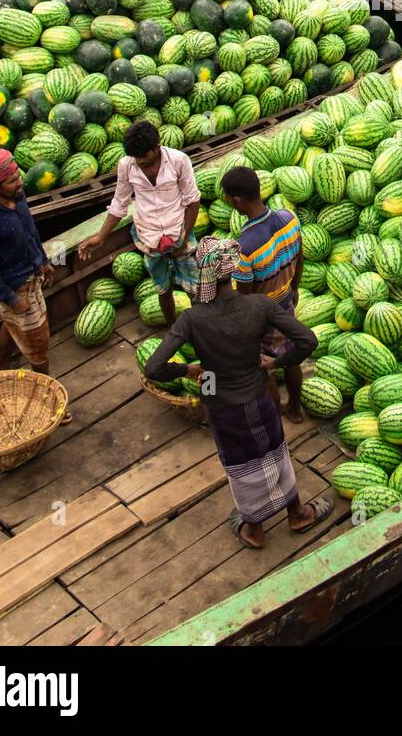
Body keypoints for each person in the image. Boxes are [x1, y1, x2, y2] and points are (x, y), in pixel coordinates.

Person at [143, 235, 331, 551]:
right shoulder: (260, 305)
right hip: (259, 396)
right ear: (231, 272)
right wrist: (276, 363)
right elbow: (308, 341)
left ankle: (254, 529)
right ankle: (297, 514)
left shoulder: (191, 319)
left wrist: (188, 370)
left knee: (241, 465)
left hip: (222, 404)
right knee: (275, 452)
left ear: (203, 273)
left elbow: (154, 368)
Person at [0, 151, 71, 421]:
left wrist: (42, 259)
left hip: (31, 272)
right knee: (38, 345)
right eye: (12, 181)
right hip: (14, 287)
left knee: (14, 326)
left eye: (18, 176)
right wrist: (11, 299)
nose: (20, 183)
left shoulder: (18, 198)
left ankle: (1, 365)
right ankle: (51, 400)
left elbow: (29, 229)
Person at [79, 120, 200, 327]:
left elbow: (193, 201)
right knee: (163, 289)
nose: (143, 164)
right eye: (137, 160)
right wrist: (101, 236)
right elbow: (119, 204)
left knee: (194, 288)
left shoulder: (179, 160)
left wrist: (183, 239)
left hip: (179, 230)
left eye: (147, 159)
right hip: (149, 235)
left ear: (157, 146)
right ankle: (173, 328)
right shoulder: (127, 165)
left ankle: (201, 327)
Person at [219, 166, 308, 422]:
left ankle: (276, 410)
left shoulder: (245, 248)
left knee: (264, 367)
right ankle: (295, 408)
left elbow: (245, 296)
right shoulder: (289, 217)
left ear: (236, 200)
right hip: (286, 304)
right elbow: (300, 257)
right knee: (291, 359)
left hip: (263, 316)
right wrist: (294, 288)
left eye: (227, 197)